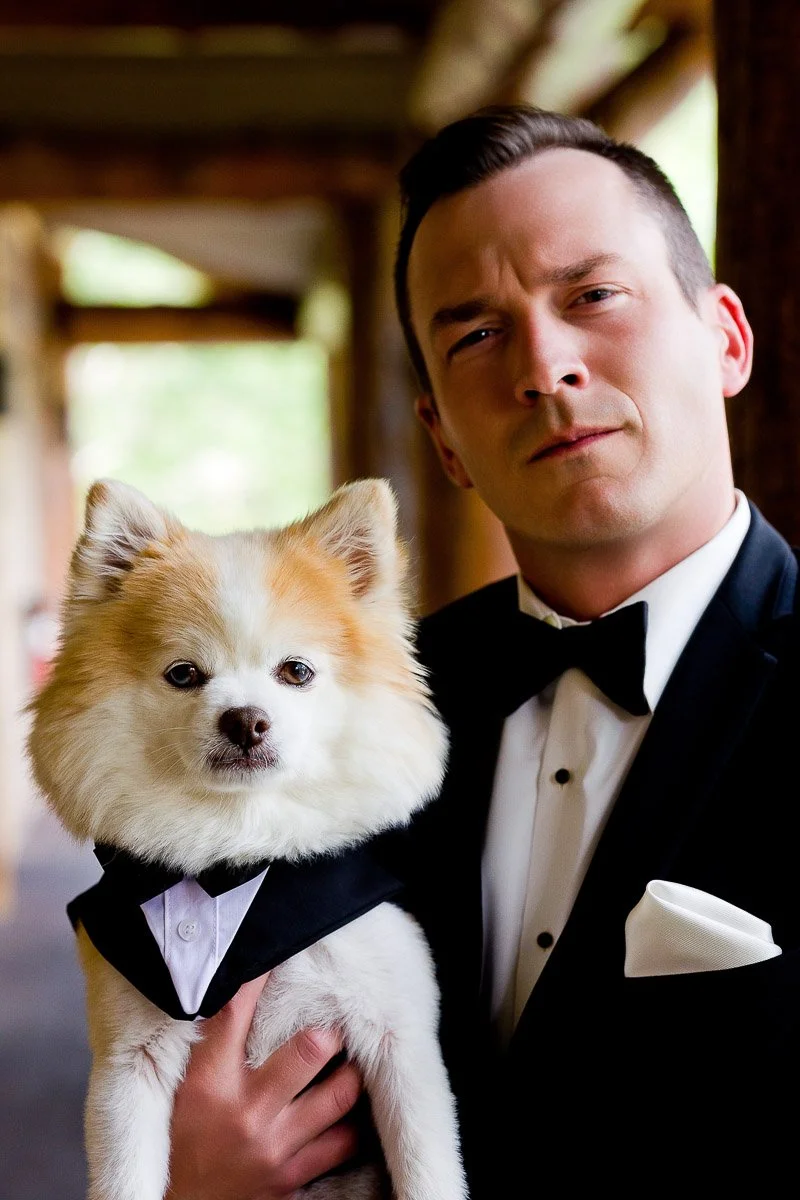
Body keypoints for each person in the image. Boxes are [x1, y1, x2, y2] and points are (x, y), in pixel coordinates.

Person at [168, 105, 800, 1196]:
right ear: (443, 440)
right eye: (476, 335)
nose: (544, 368)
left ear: (725, 339)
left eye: (592, 297)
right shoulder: (345, 709)